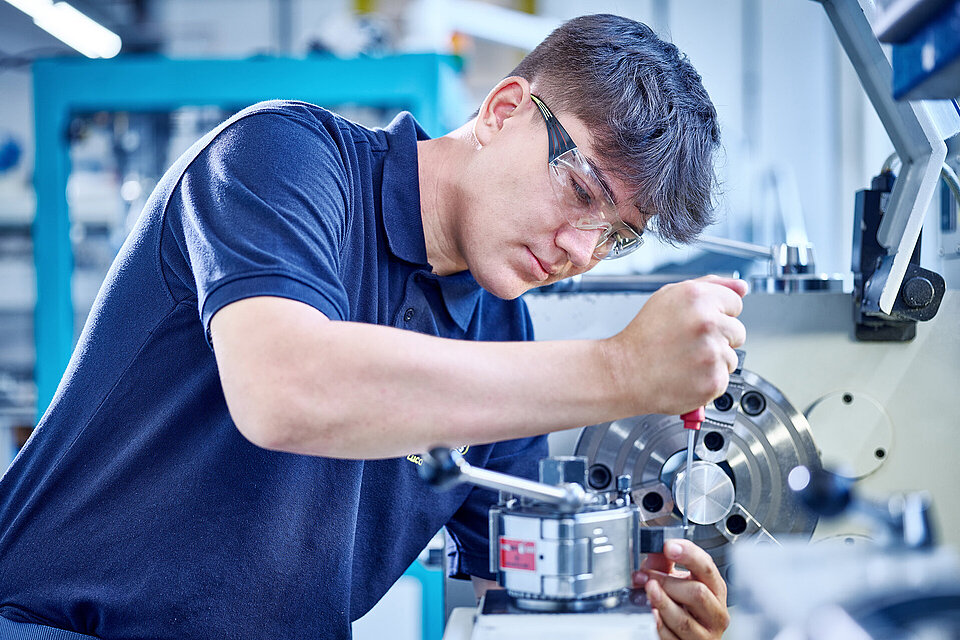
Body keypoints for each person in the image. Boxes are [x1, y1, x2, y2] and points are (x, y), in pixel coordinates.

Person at [0, 13, 742, 640]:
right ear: (504, 111)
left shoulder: (501, 329)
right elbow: (284, 390)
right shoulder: (281, 158)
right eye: (582, 190)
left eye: (617, 237)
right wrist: (619, 371)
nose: (580, 251)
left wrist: (629, 595)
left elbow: (513, 579)